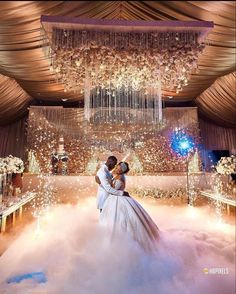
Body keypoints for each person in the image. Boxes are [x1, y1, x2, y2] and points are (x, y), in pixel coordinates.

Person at [99, 161, 160, 252]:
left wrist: (104, 183)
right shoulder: (116, 175)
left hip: (118, 199)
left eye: (119, 167)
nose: (116, 168)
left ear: (121, 170)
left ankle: (121, 244)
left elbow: (112, 189)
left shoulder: (120, 177)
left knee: (121, 220)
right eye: (117, 166)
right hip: (114, 199)